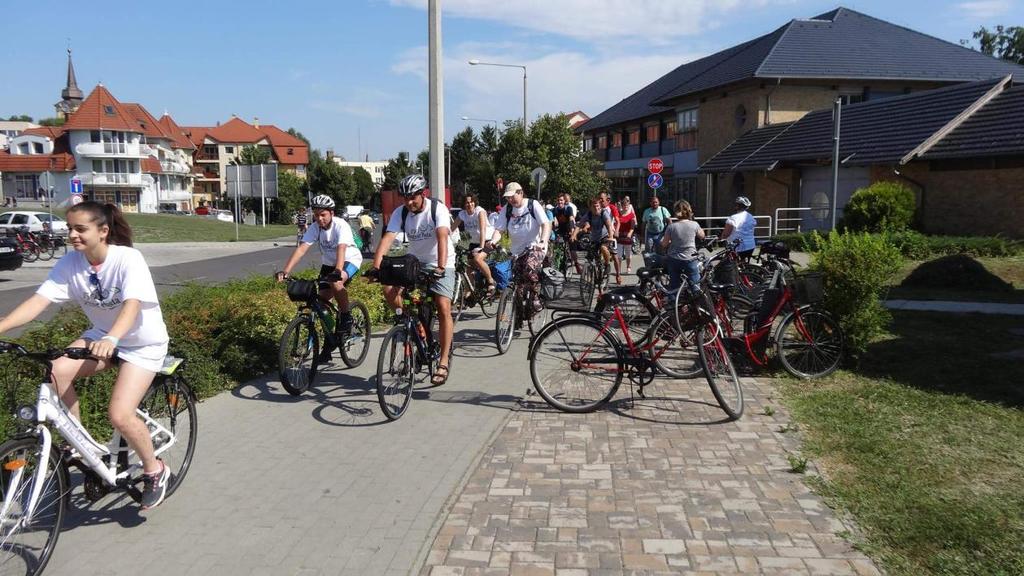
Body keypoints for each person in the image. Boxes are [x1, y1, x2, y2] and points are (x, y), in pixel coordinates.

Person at [0, 201, 171, 510]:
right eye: (70, 229)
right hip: (102, 336)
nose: (73, 235)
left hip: (142, 342)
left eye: (80, 229)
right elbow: (39, 300)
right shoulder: (70, 263)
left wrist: (112, 337)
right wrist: (3, 326)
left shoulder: (127, 259)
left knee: (119, 415)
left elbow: (132, 304)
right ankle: (77, 444)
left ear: (103, 231)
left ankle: (154, 470)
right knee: (55, 370)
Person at [370, 174, 455, 386]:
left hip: (441, 261)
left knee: (443, 305)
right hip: (415, 261)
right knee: (389, 289)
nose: (408, 202)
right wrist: (375, 268)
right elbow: (387, 239)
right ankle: (412, 326)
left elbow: (442, 236)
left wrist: (441, 267)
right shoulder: (402, 213)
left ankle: (443, 361)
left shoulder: (437, 209)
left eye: (412, 198)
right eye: (405, 198)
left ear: (422, 194)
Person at [276, 195, 362, 362]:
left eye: (323, 214)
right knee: (320, 303)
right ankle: (330, 343)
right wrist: (286, 271)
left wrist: (338, 270)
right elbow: (302, 249)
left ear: (331, 213)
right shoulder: (315, 227)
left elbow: (341, 249)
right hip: (329, 264)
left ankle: (346, 316)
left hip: (348, 260)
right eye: (316, 215)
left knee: (336, 283)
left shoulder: (340, 225)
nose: (319, 219)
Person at [491, 182, 551, 315]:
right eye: (508, 197)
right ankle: (518, 317)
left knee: (529, 269)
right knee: (517, 283)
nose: (510, 200)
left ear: (521, 193)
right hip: (516, 251)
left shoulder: (532, 204)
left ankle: (535, 298)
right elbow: (499, 229)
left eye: (513, 196)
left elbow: (545, 224)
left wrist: (542, 242)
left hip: (535, 247)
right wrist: (493, 241)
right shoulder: (507, 209)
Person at [453, 193, 496, 297]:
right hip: (474, 242)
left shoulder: (479, 211)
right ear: (463, 204)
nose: (470, 204)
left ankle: (491, 282)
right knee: (468, 266)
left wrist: (481, 247)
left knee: (477, 259)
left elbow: (482, 230)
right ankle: (469, 289)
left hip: (487, 241)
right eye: (467, 202)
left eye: (471, 202)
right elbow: (452, 228)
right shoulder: (462, 214)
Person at [661, 200, 705, 292]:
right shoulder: (694, 224)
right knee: (695, 286)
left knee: (674, 286)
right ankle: (696, 303)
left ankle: (674, 303)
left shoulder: (671, 227)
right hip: (690, 258)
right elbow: (702, 236)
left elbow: (664, 244)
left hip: (674, 259)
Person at [579, 197, 615, 275]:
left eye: (598, 206)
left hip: (605, 236)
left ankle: (607, 264)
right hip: (594, 238)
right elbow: (579, 225)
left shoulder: (604, 213)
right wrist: (574, 235)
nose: (596, 208)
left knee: (603, 248)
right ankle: (592, 275)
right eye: (594, 206)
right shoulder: (589, 214)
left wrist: (611, 237)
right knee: (590, 256)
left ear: (600, 206)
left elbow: (609, 225)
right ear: (590, 207)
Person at [722, 196, 757, 260]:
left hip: (737, 247)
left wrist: (719, 239)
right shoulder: (751, 217)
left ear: (737, 206)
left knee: (729, 265)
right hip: (751, 245)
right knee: (744, 265)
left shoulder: (733, 218)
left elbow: (726, 234)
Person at [598, 192, 623, 283]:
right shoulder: (597, 207)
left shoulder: (612, 208)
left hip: (610, 234)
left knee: (615, 256)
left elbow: (618, 221)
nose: (601, 201)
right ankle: (598, 272)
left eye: (602, 199)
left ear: (608, 200)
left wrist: (616, 230)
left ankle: (618, 274)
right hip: (599, 235)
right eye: (599, 199)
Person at [616, 196, 636, 277]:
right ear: (622, 206)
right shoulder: (619, 214)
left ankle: (628, 266)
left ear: (629, 206)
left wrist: (630, 234)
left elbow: (632, 227)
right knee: (619, 254)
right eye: (624, 205)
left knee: (628, 254)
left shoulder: (631, 215)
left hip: (627, 236)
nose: (626, 207)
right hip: (620, 236)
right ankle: (619, 269)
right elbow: (616, 223)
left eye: (627, 205)